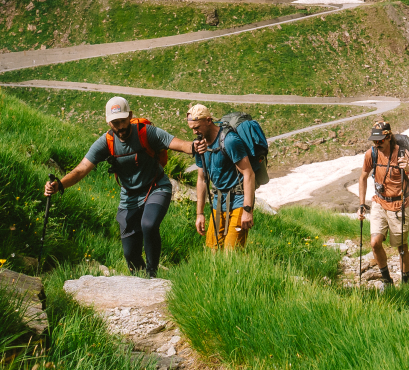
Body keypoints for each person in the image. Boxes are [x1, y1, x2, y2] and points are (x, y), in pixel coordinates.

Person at [45, 96, 197, 278]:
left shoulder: (146, 132)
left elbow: (178, 144)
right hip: (129, 196)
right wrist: (59, 185)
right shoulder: (106, 141)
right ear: (109, 122)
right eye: (115, 123)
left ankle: (152, 275)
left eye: (123, 121)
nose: (120, 127)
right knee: (129, 253)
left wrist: (195, 146)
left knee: (148, 224)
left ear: (130, 116)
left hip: (156, 187)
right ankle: (140, 279)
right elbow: (82, 169)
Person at [357, 120, 409, 285]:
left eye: (380, 140)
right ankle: (387, 281)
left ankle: (405, 284)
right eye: (374, 141)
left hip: (400, 206)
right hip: (379, 202)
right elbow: (363, 177)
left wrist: (408, 169)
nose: (377, 144)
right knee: (375, 243)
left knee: (401, 249)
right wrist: (361, 204)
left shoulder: (402, 154)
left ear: (388, 137)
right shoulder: (370, 154)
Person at [189, 104, 257, 249]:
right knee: (212, 250)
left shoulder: (230, 141)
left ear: (208, 121)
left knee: (231, 254)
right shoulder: (199, 144)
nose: (195, 132)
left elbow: (248, 173)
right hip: (218, 201)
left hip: (238, 200)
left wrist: (247, 210)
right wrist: (199, 213)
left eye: (197, 127)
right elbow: (201, 179)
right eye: (192, 128)